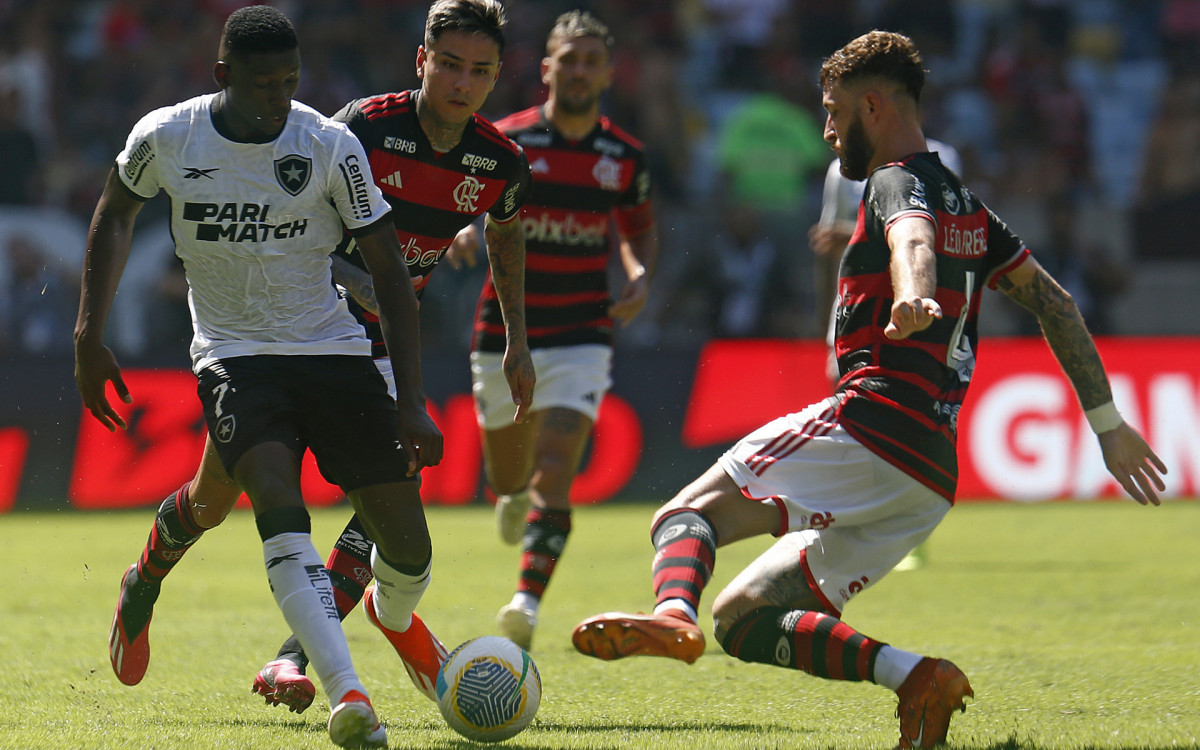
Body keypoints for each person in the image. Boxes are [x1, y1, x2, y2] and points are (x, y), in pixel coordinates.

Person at [571, 31, 1167, 750]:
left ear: (874, 107)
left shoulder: (894, 181)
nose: (827, 130)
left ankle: (671, 614)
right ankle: (916, 677)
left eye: (833, 112)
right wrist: (1107, 424)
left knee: (684, 515)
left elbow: (910, 239)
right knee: (743, 618)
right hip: (927, 476)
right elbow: (1057, 304)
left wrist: (913, 293)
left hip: (872, 425)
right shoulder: (973, 209)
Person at [96, 0, 534, 719]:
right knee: (210, 503)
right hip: (278, 336)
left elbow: (506, 235)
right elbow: (290, 212)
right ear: (422, 61)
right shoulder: (360, 128)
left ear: (496, 77)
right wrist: (352, 278)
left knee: (387, 502)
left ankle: (303, 654)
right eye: (450, 64)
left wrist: (516, 337)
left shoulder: (500, 162)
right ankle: (145, 579)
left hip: (377, 346)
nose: (463, 82)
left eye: (479, 70)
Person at [445, 9, 658, 652]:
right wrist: (463, 231)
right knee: (509, 478)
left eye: (592, 61)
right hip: (506, 329)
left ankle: (526, 603)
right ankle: (511, 496)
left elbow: (638, 228)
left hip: (583, 330)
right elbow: (463, 201)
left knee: (559, 462)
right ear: (547, 69)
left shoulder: (624, 157)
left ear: (608, 74)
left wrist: (637, 272)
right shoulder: (505, 141)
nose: (580, 71)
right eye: (570, 60)